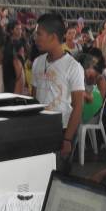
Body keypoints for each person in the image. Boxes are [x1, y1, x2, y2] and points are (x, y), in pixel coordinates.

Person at [31, 13, 85, 170]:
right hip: (40, 128)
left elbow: (78, 106)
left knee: (58, 176)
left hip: (61, 129)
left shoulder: (73, 67)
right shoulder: (37, 62)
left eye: (39, 33)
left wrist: (67, 139)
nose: (35, 38)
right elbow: (34, 98)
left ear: (53, 36)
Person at [78, 53, 106, 123]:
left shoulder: (100, 79)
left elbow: (98, 102)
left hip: (93, 113)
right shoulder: (81, 76)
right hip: (82, 108)